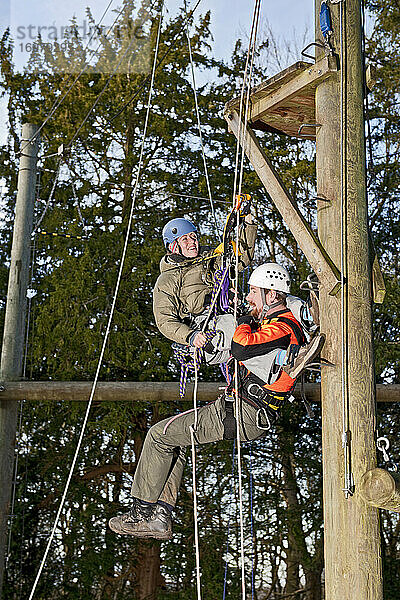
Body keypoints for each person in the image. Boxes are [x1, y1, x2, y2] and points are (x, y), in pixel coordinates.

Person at [109, 262, 324, 540]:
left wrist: (244, 318)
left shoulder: (283, 328)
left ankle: (141, 514)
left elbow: (241, 346)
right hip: (239, 410)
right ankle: (160, 515)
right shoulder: (274, 326)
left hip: (243, 412)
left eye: (254, 293)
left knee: (158, 436)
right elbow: (235, 349)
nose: (249, 299)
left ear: (272, 296)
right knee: (174, 442)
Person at [153, 208, 257, 365]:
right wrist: (191, 336)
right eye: (185, 240)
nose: (192, 243)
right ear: (174, 247)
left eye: (193, 237)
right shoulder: (167, 279)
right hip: (204, 333)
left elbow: (240, 259)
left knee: (267, 301)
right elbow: (164, 320)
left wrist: (248, 223)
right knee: (250, 329)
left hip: (227, 319)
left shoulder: (210, 261)